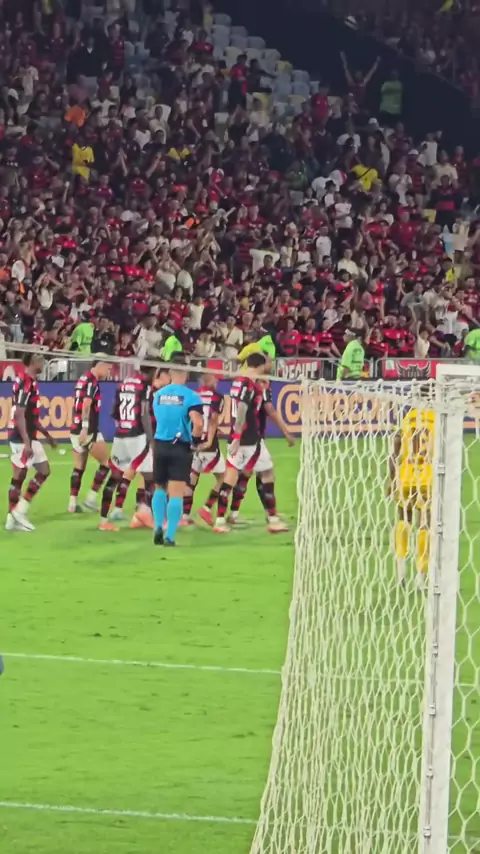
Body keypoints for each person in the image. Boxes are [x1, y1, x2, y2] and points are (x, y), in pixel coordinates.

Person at [227, 378, 294, 533]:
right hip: (252, 437)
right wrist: (286, 433)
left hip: (245, 436)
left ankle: (234, 514)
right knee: (265, 474)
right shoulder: (258, 385)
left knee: (249, 473)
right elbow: (270, 410)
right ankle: (272, 518)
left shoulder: (242, 382)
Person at [211, 352, 267, 534]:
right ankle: (220, 519)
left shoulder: (238, 382)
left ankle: (231, 515)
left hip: (242, 436)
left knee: (244, 474)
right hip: (244, 438)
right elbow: (241, 409)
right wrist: (236, 436)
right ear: (260, 366)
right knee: (234, 476)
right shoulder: (247, 383)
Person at [151, 354, 204, 546]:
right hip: (180, 446)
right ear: (187, 372)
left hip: (160, 444)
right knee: (176, 493)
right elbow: (198, 423)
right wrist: (195, 441)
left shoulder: (159, 395)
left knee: (159, 488)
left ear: (170, 372)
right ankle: (170, 536)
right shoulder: (191, 396)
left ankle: (158, 526)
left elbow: (157, 417)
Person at [99, 365, 156, 532]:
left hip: (120, 436)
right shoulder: (145, 387)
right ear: (152, 372)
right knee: (150, 477)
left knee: (115, 476)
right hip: (137, 436)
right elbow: (144, 414)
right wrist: (150, 438)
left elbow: (114, 411)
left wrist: (122, 425)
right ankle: (152, 518)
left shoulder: (123, 384)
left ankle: (103, 520)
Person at [388, 388, 434, 589]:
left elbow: (395, 450)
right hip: (427, 479)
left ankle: (400, 572)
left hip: (406, 478)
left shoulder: (407, 419)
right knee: (424, 525)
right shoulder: (437, 419)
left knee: (403, 520)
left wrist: (391, 480)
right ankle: (421, 577)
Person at [6, 353, 57, 532]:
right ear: (33, 362)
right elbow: (19, 414)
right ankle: (16, 514)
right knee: (19, 476)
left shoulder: (29, 382)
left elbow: (31, 416)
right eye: (41, 361)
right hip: (22, 438)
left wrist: (47, 435)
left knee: (42, 471)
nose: (43, 363)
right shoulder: (25, 382)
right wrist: (27, 442)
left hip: (28, 436)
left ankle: (14, 516)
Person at [68, 357, 113, 513]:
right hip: (87, 430)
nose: (109, 372)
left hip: (75, 428)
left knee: (79, 467)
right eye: (108, 368)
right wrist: (85, 427)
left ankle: (72, 503)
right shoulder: (91, 381)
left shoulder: (83, 378)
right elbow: (86, 404)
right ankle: (91, 499)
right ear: (100, 365)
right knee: (107, 463)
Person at [186, 372, 226, 527]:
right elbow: (213, 418)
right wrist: (209, 440)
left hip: (193, 442)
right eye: (215, 379)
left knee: (191, 479)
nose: (217, 382)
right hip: (209, 446)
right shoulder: (217, 397)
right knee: (225, 478)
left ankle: (185, 515)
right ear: (207, 379)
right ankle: (207, 508)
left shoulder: (192, 395)